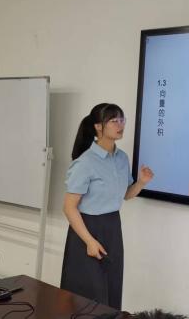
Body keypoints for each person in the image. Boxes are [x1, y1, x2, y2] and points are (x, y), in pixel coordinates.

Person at [61, 103, 154, 310]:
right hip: (86, 230)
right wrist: (89, 241)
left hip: (112, 228)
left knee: (111, 288)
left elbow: (125, 195)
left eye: (122, 120)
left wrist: (141, 183)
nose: (120, 125)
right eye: (114, 120)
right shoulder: (85, 162)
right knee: (87, 294)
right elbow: (69, 207)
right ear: (98, 126)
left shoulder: (122, 158)